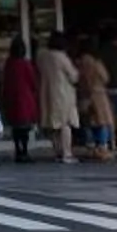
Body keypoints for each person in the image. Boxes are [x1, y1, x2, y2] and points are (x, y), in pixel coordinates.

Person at [36, 32, 78, 164]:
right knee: (65, 124)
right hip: (63, 94)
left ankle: (58, 152)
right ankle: (67, 153)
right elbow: (73, 76)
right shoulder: (62, 57)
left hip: (47, 93)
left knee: (53, 125)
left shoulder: (42, 56)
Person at [0, 37, 40, 163]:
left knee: (16, 128)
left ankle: (18, 150)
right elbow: (33, 81)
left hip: (12, 98)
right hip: (25, 99)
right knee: (25, 128)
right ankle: (24, 151)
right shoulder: (25, 64)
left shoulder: (9, 64)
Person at [75, 37, 115, 160]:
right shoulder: (96, 62)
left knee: (88, 122)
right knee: (101, 122)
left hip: (84, 94)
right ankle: (102, 148)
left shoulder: (78, 63)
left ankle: (90, 147)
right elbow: (105, 77)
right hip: (98, 94)